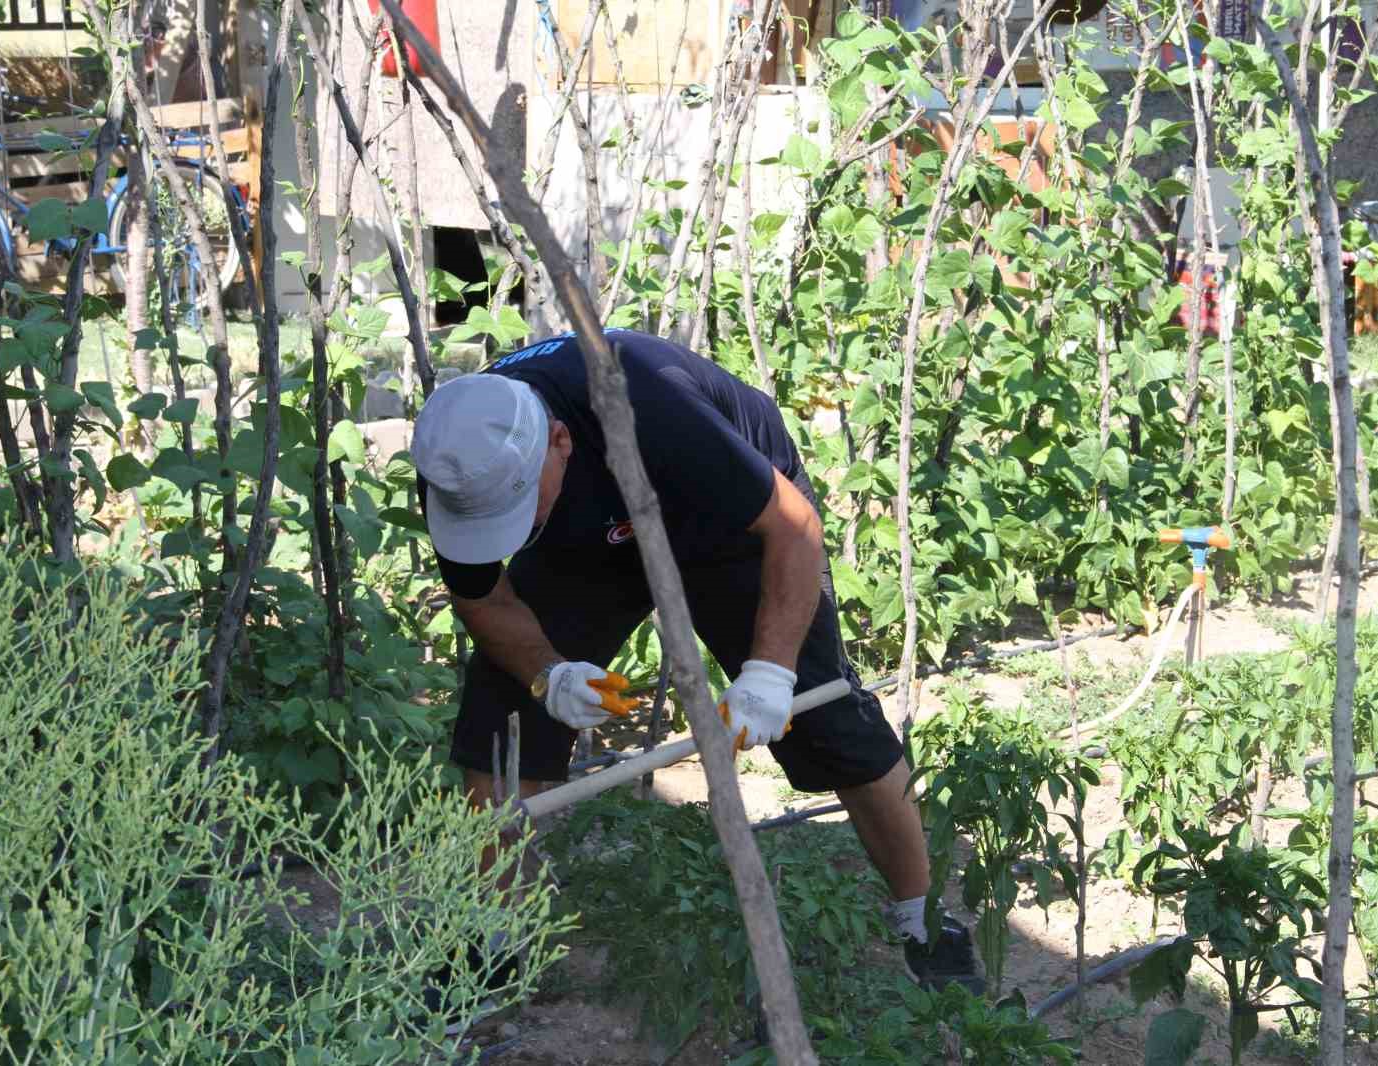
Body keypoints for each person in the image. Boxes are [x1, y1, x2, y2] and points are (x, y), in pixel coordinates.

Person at [413, 328, 983, 1016]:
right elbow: (481, 596)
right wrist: (550, 675)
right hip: (591, 535)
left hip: (730, 521)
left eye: (516, 509)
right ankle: (491, 942)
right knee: (500, 715)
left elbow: (794, 528)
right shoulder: (458, 457)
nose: (505, 527)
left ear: (559, 442)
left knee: (825, 717)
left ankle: (926, 925)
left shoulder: (647, 406)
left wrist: (769, 673)